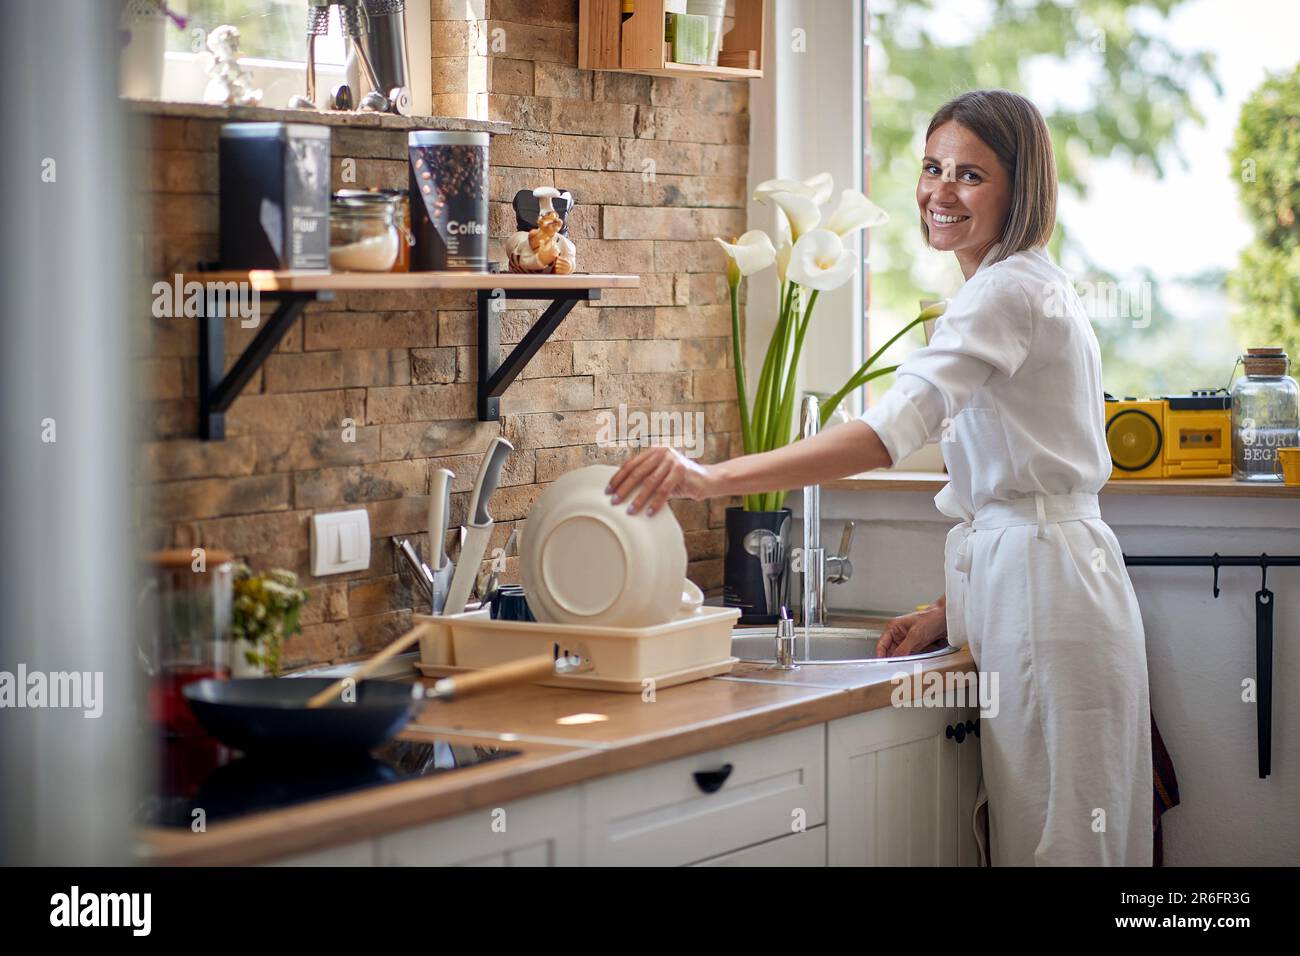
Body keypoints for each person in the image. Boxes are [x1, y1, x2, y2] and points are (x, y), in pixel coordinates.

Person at [606, 89, 1152, 867]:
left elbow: (883, 436)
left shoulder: (1002, 293)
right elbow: (1017, 489)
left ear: (1020, 187)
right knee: (1073, 835)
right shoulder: (1021, 284)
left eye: (970, 174)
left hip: (1045, 595)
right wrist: (948, 606)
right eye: (933, 168)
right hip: (1049, 583)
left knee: (1058, 845)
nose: (940, 192)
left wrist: (708, 477)